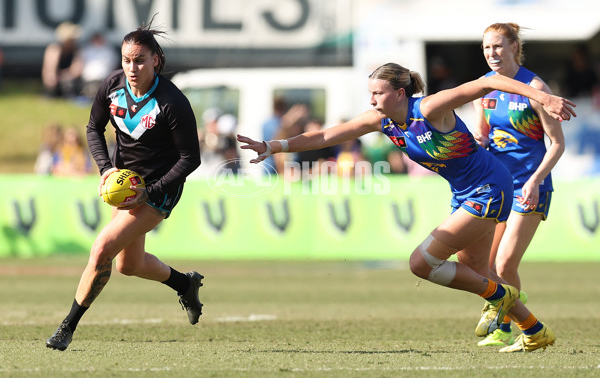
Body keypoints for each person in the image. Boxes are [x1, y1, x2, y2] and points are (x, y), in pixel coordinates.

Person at [237, 62, 576, 353]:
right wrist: (273, 145)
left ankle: (501, 295)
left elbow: (486, 82)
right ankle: (534, 331)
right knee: (475, 268)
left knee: (422, 263)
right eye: (370, 93)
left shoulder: (428, 108)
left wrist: (543, 97)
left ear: (400, 93)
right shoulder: (381, 121)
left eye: (378, 93)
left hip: (490, 189)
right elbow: (325, 136)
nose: (371, 100)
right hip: (466, 192)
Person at [46, 18, 203, 351]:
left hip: (159, 188)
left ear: (156, 60)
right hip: (126, 183)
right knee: (128, 265)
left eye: (140, 60)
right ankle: (185, 285)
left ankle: (67, 327)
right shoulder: (112, 86)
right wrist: (105, 169)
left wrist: (153, 190)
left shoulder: (172, 102)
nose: (132, 67)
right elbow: (93, 128)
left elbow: (191, 159)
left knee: (101, 248)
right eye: (127, 60)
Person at [471, 23, 566, 347]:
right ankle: (503, 325)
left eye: (498, 46)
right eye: (486, 48)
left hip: (530, 187)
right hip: (498, 186)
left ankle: (528, 330)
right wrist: (477, 141)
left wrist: (536, 180)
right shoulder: (484, 87)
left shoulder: (535, 87)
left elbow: (556, 143)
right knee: (483, 266)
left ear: (514, 47)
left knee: (504, 264)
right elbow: (482, 133)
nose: (491, 54)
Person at [41, 21, 84, 98]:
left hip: (69, 80)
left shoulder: (75, 50)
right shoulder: (54, 49)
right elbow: (49, 71)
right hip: (55, 82)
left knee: (69, 84)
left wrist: (64, 76)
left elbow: (77, 70)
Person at [80, 31, 120, 99]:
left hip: (103, 78)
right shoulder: (86, 50)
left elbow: (113, 66)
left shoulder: (109, 51)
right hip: (88, 78)